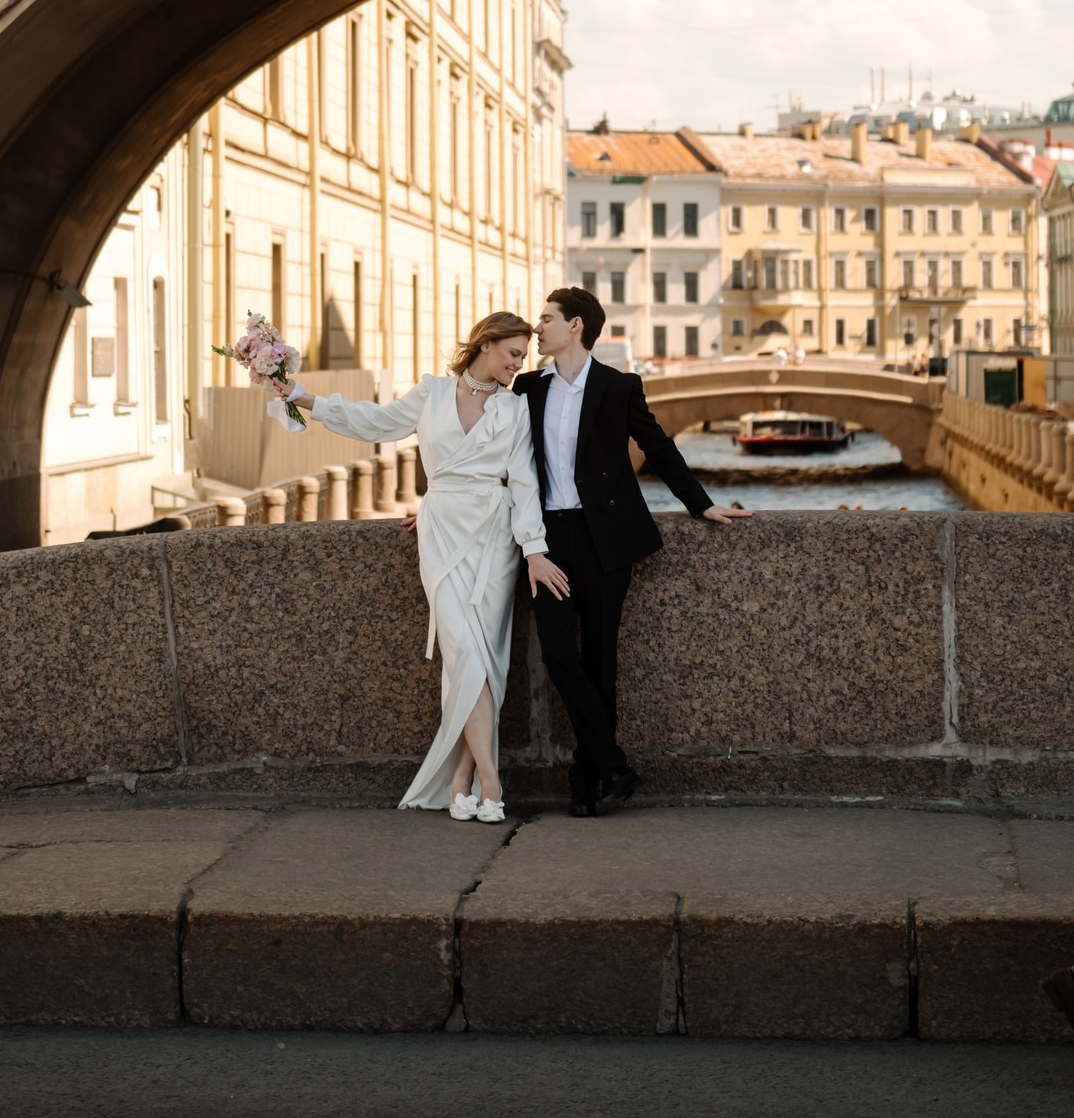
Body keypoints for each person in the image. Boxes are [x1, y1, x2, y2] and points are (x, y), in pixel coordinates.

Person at [279, 312, 569, 822]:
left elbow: (523, 482)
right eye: (513, 354)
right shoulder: (432, 393)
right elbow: (376, 421)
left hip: (492, 540)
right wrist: (307, 400)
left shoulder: (515, 409)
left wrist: (534, 549)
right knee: (462, 650)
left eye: (524, 357)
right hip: (440, 532)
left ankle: (463, 778)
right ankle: (491, 779)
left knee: (482, 660)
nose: (518, 365)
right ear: (485, 344)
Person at [515, 287, 755, 819]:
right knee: (558, 652)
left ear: (576, 326)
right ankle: (614, 765)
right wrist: (436, 504)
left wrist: (702, 505)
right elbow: (491, 455)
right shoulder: (526, 387)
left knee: (601, 658)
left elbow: (658, 445)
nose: (538, 327)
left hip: (606, 539)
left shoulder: (618, 386)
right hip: (546, 540)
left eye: (547, 318)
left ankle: (587, 775)